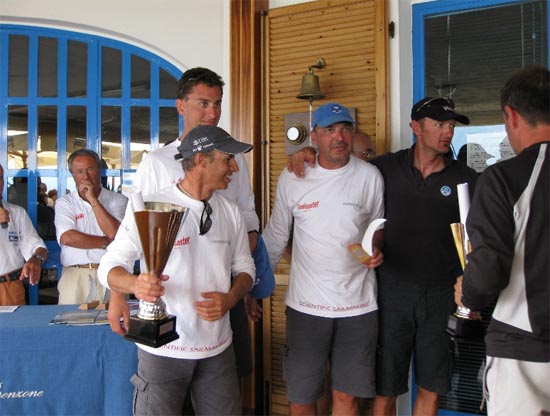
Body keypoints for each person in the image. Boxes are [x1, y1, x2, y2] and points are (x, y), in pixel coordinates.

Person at [288, 97, 478, 415]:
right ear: (416, 127)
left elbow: (477, 237)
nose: (448, 132)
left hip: (441, 295)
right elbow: (341, 166)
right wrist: (306, 153)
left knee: (431, 388)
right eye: (440, 124)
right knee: (385, 389)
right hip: (391, 294)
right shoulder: (385, 168)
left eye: (451, 125)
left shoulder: (466, 178)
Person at [107, 67, 271, 380]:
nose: (213, 112)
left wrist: (239, 283)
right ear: (181, 105)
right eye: (203, 103)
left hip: (222, 291)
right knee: (172, 386)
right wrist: (118, 295)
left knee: (227, 377)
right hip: (172, 298)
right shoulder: (156, 162)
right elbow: (135, 232)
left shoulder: (234, 158)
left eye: (218, 103)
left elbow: (248, 219)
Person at [98, 125, 256, 415]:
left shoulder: (231, 211)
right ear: (201, 160)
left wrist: (231, 298)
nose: (234, 168)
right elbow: (110, 265)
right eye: (227, 160)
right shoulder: (151, 205)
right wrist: (134, 284)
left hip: (218, 348)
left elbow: (246, 268)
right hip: (163, 351)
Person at [263, 102, 385, 415]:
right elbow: (276, 235)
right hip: (306, 307)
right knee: (302, 397)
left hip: (358, 306)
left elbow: (376, 227)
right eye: (329, 129)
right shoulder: (293, 176)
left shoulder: (370, 176)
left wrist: (373, 249)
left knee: (347, 396)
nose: (339, 137)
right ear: (315, 135)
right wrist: (256, 288)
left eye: (345, 128)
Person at [454, 65, 549, 416]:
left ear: (511, 115)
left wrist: (467, 295)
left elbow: (488, 270)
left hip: (525, 350)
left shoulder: (503, 178)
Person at [54, 149, 127, 304]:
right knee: (69, 318)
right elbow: (68, 238)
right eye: (79, 171)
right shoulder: (65, 203)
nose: (86, 176)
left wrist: (93, 200)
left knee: (114, 318)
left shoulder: (118, 200)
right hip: (76, 275)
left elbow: (114, 233)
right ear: (72, 174)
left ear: (99, 170)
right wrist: (106, 242)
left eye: (90, 169)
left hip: (111, 271)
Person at [0, 163, 48, 305]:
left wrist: (36, 258)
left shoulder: (17, 213)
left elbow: (37, 247)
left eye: (0, 178)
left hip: (10, 287)